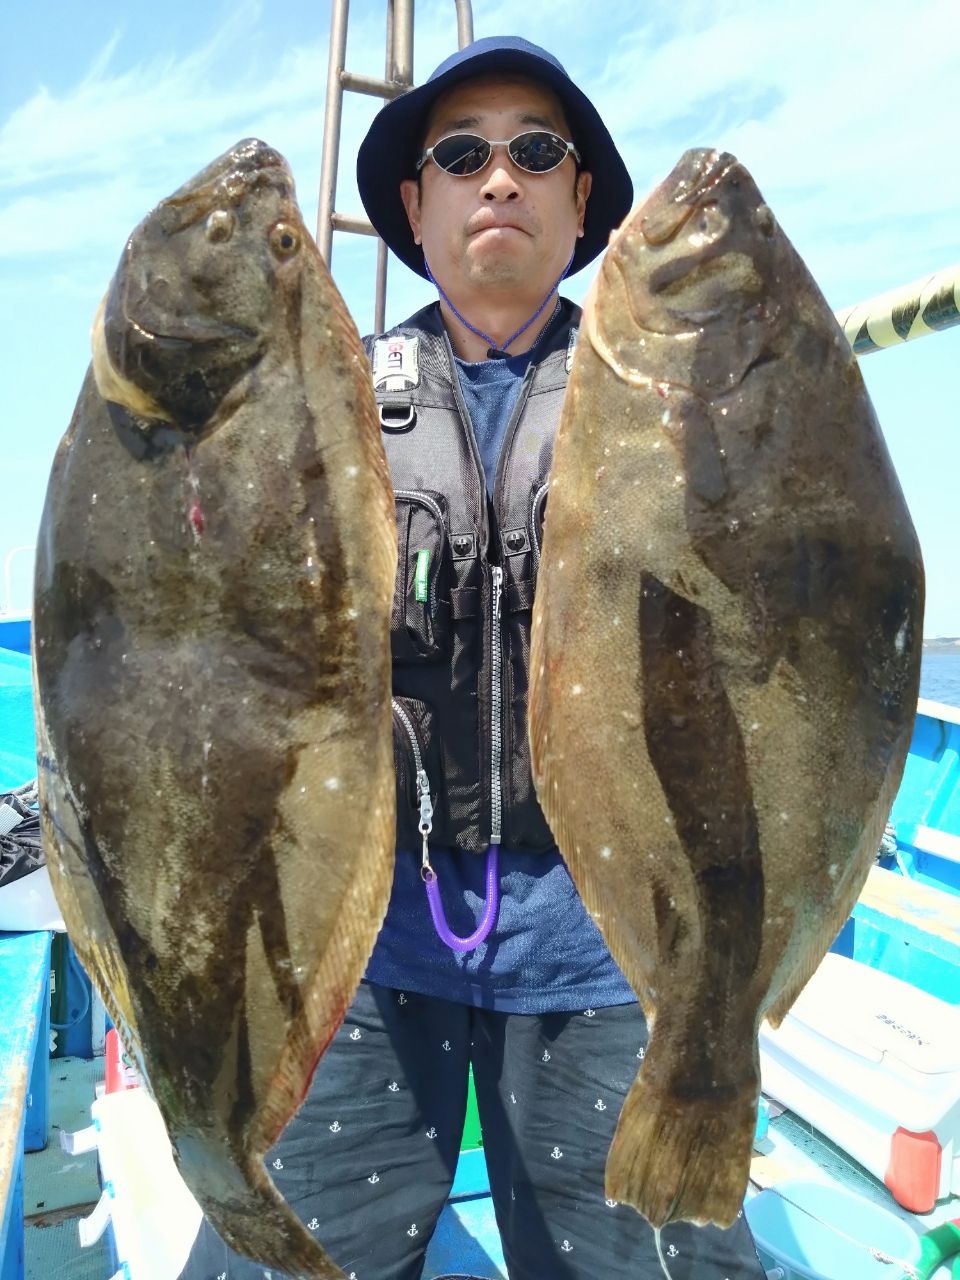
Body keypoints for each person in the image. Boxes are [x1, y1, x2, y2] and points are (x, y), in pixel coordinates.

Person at [182, 35, 766, 1280]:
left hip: (603, 954)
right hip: (361, 951)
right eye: (461, 154)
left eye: (534, 151)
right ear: (415, 201)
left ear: (580, 199)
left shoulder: (671, 400)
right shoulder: (325, 398)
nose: (498, 178)